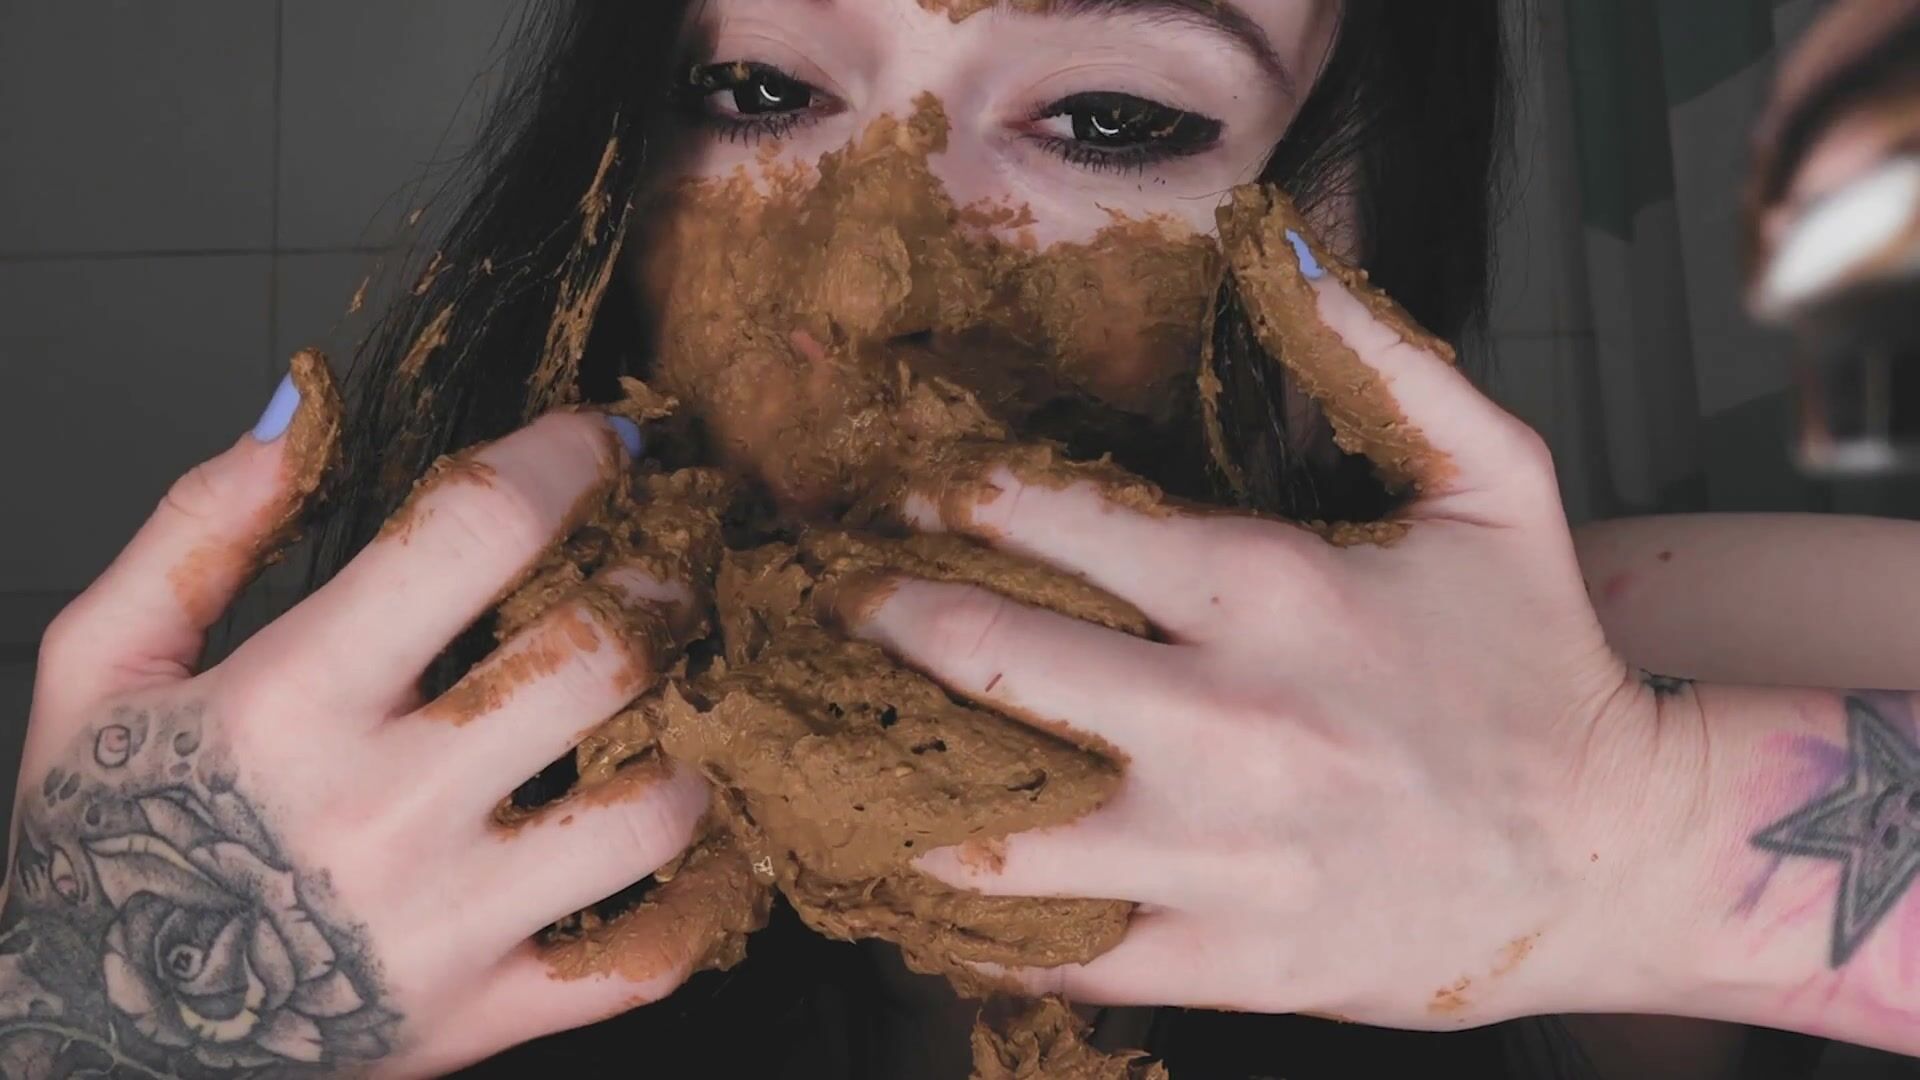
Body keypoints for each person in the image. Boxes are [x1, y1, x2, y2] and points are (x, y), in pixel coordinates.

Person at [8, 1, 1920, 1078]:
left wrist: (1634, 840)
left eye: (1114, 118)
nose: (863, 291)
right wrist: (114, 1028)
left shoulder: (1635, 670)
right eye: (757, 91)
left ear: (1348, 212)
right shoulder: (290, 837)